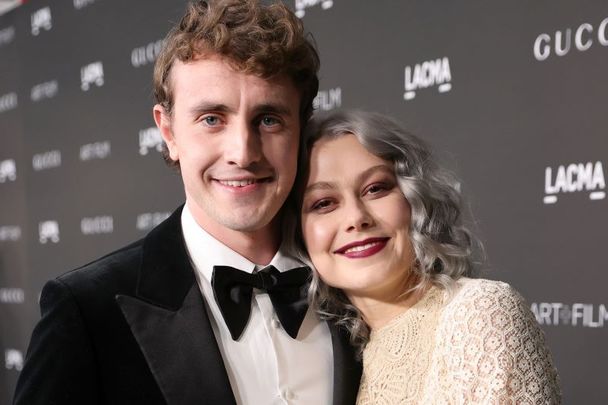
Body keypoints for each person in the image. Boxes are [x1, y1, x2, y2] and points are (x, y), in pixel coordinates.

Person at [13, 2, 361, 404]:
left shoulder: (355, 282)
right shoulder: (86, 311)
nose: (243, 153)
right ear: (169, 132)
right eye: (212, 119)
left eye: (268, 119)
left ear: (301, 129)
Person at [288, 110, 561, 404]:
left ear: (412, 199)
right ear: (298, 233)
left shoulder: (481, 314)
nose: (356, 217)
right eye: (324, 203)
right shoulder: (333, 359)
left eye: (375, 189)